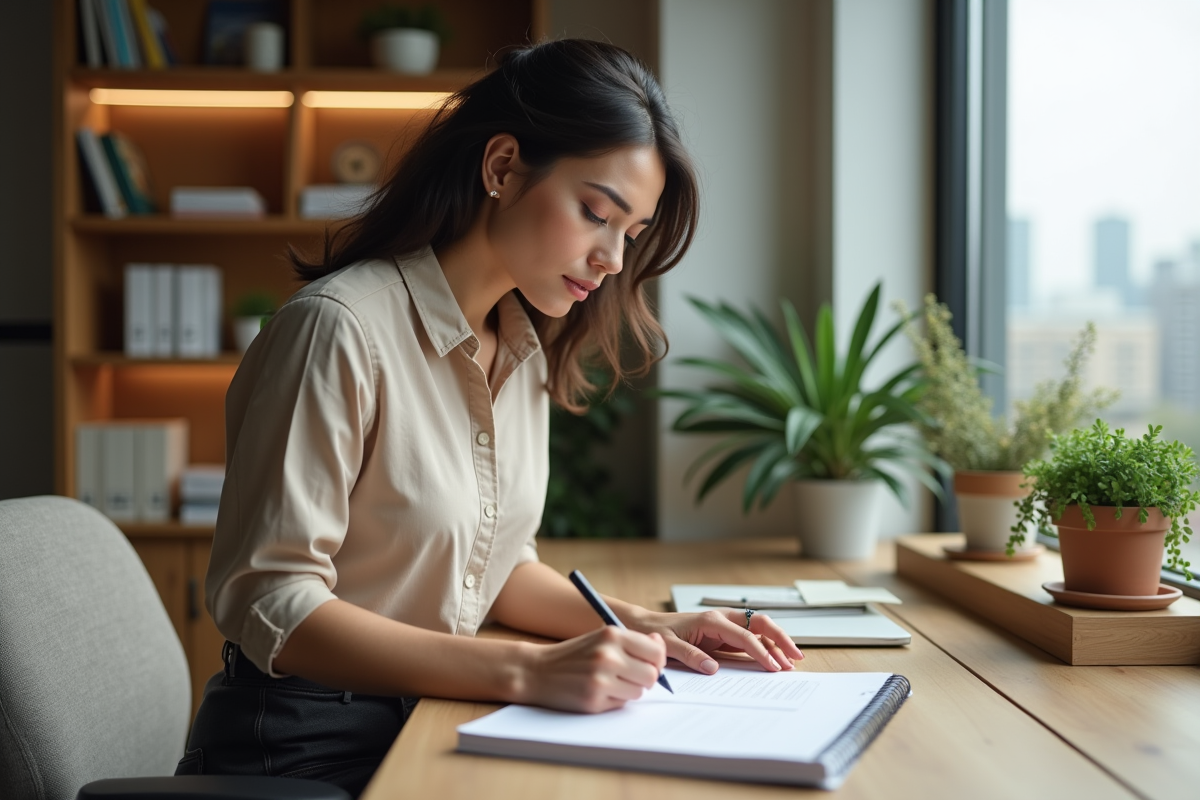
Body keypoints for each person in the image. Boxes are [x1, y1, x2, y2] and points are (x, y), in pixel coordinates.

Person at [177, 39, 805, 796]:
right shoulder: (339, 329)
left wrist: (651, 627)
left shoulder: (522, 350)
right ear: (502, 167)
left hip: (429, 716)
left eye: (629, 235)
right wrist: (526, 669)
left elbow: (498, 571)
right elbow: (272, 599)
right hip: (303, 750)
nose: (610, 258)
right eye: (596, 213)